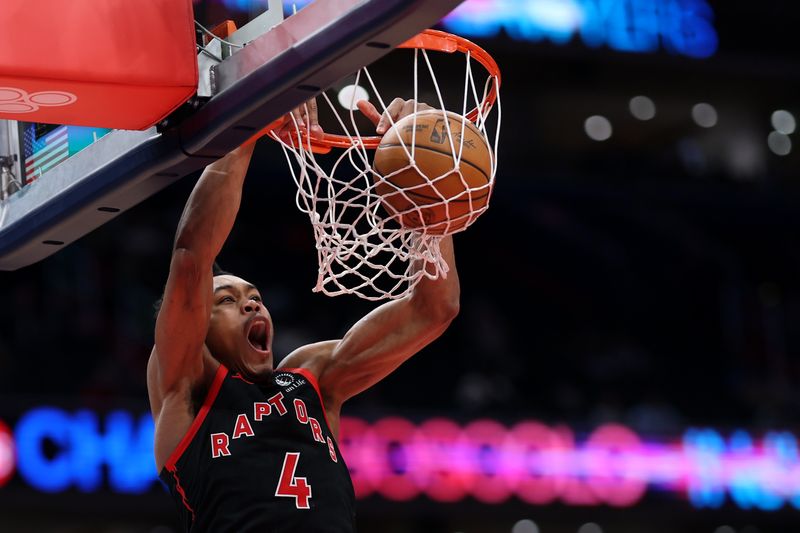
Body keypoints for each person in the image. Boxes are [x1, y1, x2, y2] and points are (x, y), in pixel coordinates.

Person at [146, 98, 460, 532]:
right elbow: (192, 257)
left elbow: (434, 308)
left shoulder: (312, 379)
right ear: (196, 324)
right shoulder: (187, 389)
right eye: (227, 301)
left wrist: (425, 192)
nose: (251, 304)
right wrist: (251, 117)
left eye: (254, 296)